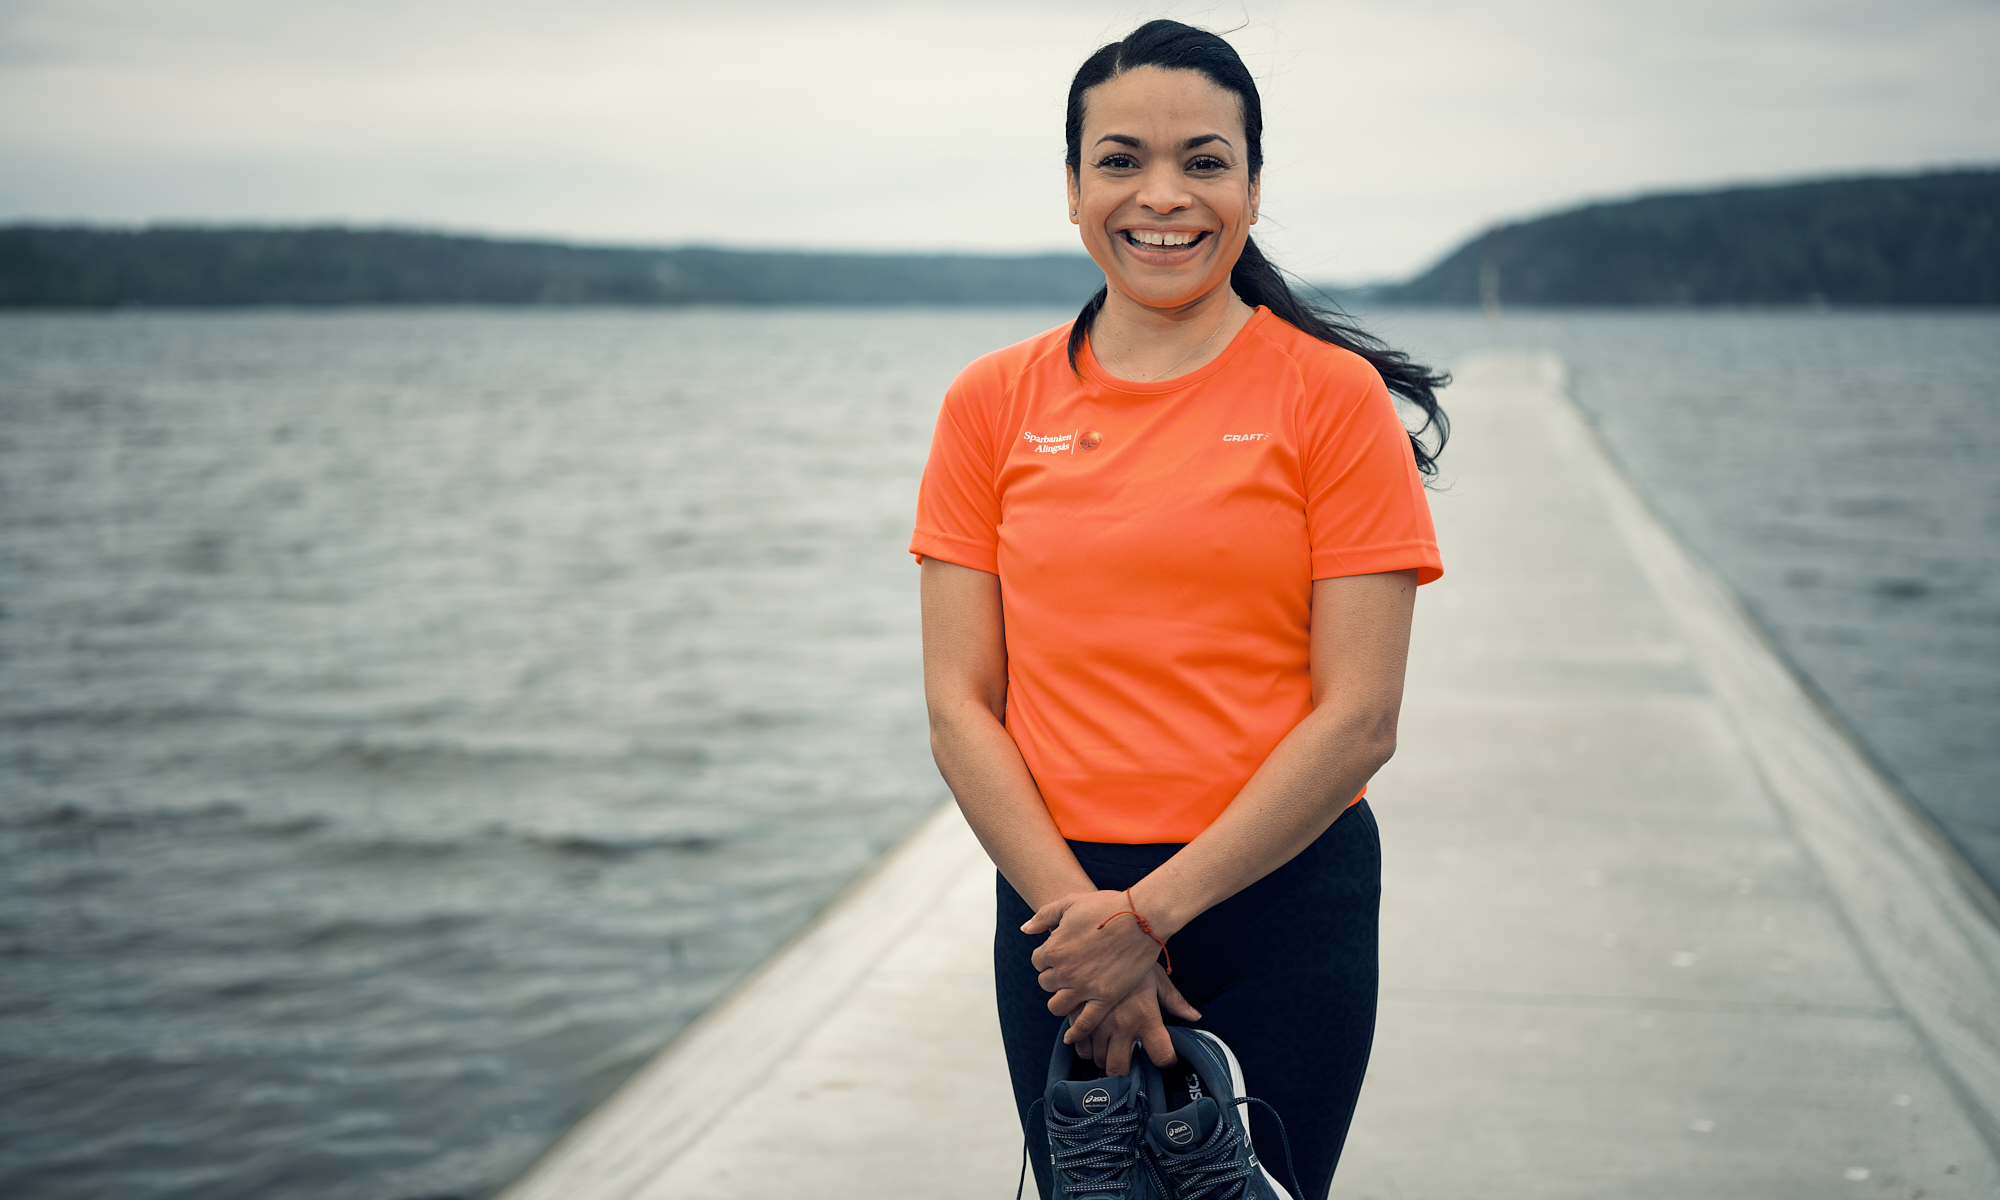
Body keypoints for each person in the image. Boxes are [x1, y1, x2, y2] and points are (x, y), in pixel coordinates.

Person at [912, 19, 1447, 1200]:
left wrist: (1146, 919)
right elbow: (958, 707)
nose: (1162, 196)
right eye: (1119, 160)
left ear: (1252, 186)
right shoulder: (989, 403)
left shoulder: (1330, 399)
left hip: (1279, 901)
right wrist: (1083, 923)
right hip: (1057, 917)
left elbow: (1358, 718)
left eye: (1203, 160)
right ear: (1070, 187)